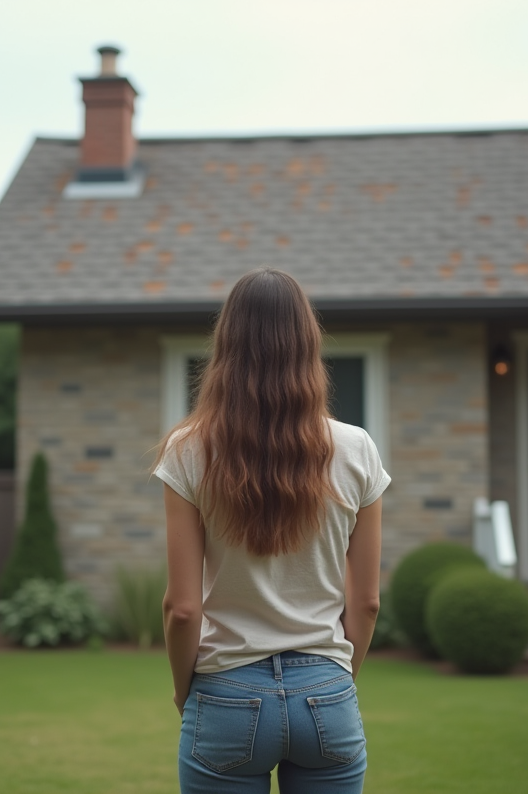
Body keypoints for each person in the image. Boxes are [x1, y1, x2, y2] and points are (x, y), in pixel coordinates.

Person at [153, 268, 389, 794]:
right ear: (307, 345)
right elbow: (367, 602)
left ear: (227, 346)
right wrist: (335, 681)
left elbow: (183, 608)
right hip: (326, 690)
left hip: (224, 693)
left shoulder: (188, 451)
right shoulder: (358, 450)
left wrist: (181, 689)